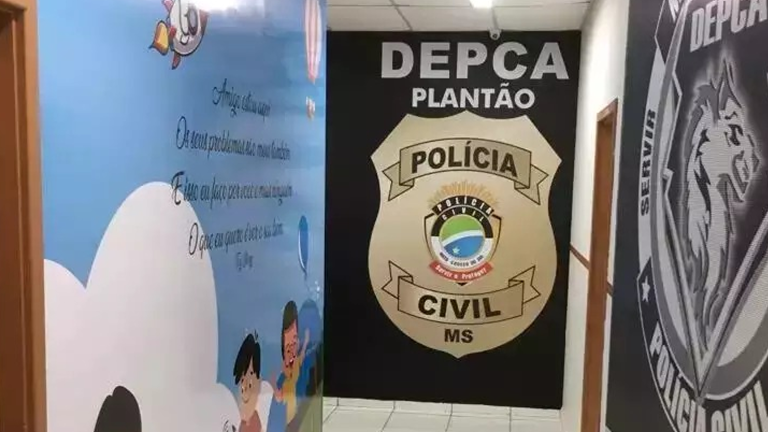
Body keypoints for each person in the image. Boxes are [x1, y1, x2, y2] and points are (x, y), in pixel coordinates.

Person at [273, 301, 309, 426]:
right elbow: (278, 396)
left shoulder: (296, 364)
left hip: (295, 415)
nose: (292, 350)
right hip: (288, 419)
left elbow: (302, 354)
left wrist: (306, 342)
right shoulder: (283, 377)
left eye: (295, 341)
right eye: (288, 348)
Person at [234, 333, 262, 432]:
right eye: (242, 381)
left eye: (249, 384)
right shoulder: (241, 421)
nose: (244, 388)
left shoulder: (256, 422)